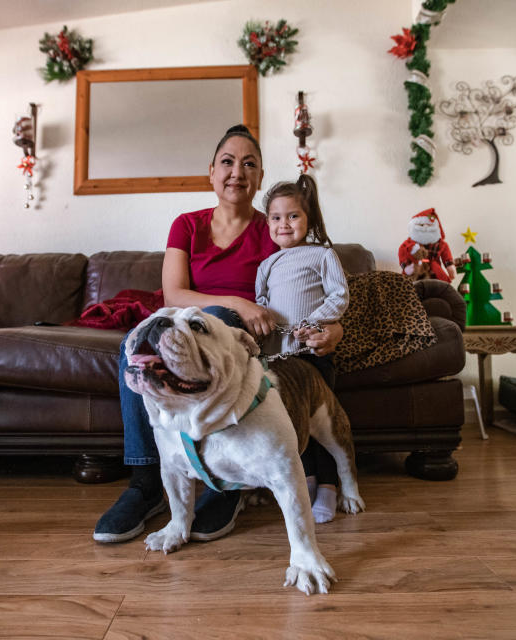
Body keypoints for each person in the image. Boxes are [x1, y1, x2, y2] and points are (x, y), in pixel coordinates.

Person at [94, 124, 344, 543]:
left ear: (260, 178)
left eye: (249, 164)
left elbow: (308, 282)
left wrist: (330, 325)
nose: (237, 172)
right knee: (131, 347)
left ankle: (225, 484)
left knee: (221, 324)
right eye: (227, 162)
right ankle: (146, 483)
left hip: (245, 337)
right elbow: (173, 294)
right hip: (195, 323)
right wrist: (238, 303)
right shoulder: (187, 225)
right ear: (211, 171)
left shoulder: (275, 227)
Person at [256, 173, 348, 523]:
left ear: (308, 218)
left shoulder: (322, 255)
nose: (284, 224)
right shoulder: (266, 265)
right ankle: (306, 480)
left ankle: (329, 485)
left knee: (319, 420)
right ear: (267, 223)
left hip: (313, 354)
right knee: (293, 423)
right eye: (276, 217)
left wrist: (314, 322)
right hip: (280, 358)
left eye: (293, 216)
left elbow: (339, 295)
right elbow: (261, 303)